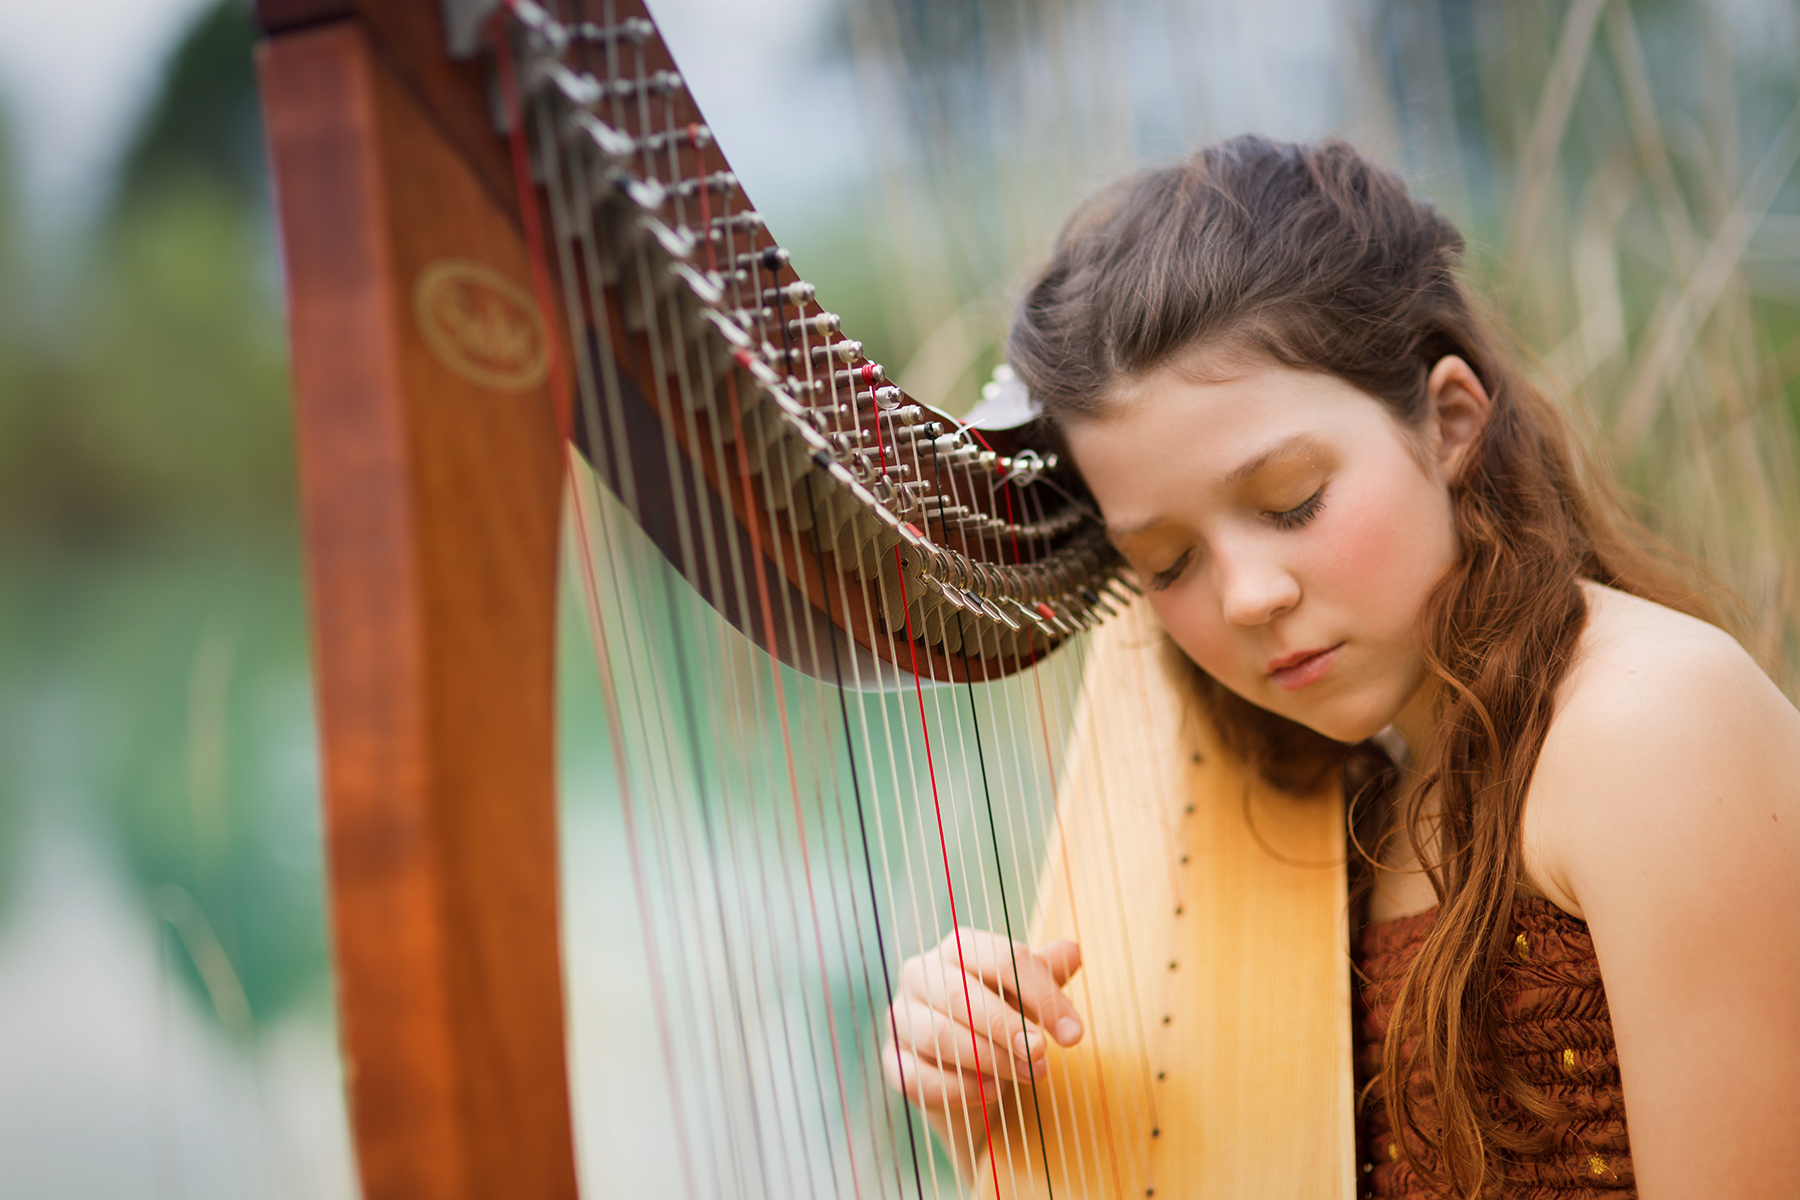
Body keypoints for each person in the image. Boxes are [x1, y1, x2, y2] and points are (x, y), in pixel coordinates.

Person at [880, 136, 1800, 1198]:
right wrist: (996, 1109)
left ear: (1450, 421)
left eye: (1291, 504)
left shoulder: (1654, 726)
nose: (1246, 595)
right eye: (1169, 561)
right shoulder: (1360, 791)